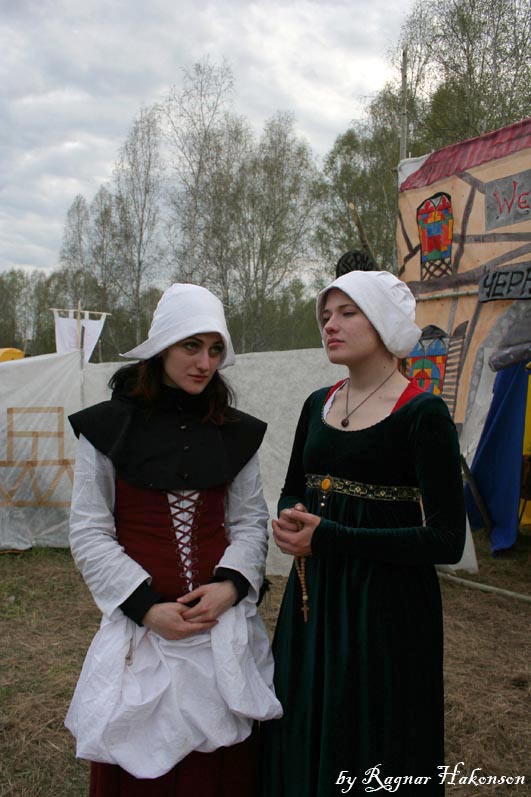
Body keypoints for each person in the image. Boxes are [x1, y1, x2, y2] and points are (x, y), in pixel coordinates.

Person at [65, 283, 282, 797]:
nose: (205, 363)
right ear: (162, 346)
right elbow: (89, 529)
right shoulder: (108, 429)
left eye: (215, 349)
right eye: (191, 346)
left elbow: (250, 521)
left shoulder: (235, 432)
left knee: (218, 772)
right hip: (143, 632)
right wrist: (145, 608)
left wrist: (230, 587)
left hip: (217, 628)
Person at [261, 270, 466, 796]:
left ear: (382, 321)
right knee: (308, 713)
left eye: (347, 313)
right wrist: (291, 515)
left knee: (371, 730)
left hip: (387, 608)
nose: (330, 325)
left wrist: (329, 537)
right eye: (326, 315)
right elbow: (292, 488)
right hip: (315, 600)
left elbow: (447, 540)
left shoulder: (423, 414)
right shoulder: (317, 403)